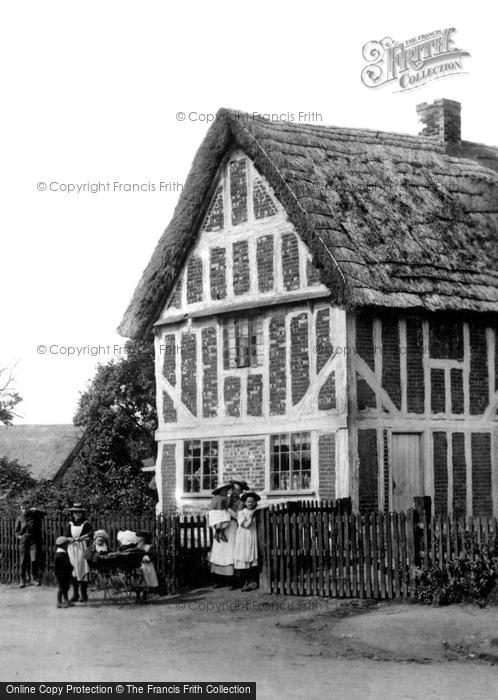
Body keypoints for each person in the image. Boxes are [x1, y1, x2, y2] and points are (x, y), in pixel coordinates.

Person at [207, 483, 239, 587]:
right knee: (219, 550)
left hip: (232, 527)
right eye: (233, 490)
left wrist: (227, 510)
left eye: (237, 490)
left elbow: (238, 516)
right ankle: (219, 579)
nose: (234, 492)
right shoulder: (223, 499)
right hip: (222, 525)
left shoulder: (241, 502)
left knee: (230, 551)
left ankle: (232, 580)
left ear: (240, 492)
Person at [64, 503, 93, 603]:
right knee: (73, 570)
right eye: (75, 512)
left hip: (81, 547)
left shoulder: (85, 523)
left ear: (82, 513)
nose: (77, 514)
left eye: (79, 512)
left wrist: (82, 537)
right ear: (72, 514)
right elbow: (66, 536)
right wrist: (70, 539)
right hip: (72, 548)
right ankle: (75, 594)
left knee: (81, 569)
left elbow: (91, 534)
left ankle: (83, 595)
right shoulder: (70, 524)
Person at [14, 499, 46, 587]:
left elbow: (45, 514)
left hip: (33, 541)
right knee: (23, 561)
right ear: (20, 508)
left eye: (25, 508)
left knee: (34, 559)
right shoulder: (19, 518)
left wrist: (37, 509)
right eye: (22, 508)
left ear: (29, 508)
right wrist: (19, 536)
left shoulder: (34, 515)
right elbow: (16, 531)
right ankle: (22, 580)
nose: (24, 510)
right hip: (24, 541)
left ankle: (34, 579)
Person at [233, 491, 261, 591]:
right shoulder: (241, 513)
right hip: (243, 537)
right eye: (248, 502)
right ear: (245, 503)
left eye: (252, 502)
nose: (250, 503)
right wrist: (252, 516)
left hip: (252, 536)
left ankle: (253, 582)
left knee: (252, 559)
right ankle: (245, 582)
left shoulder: (257, 512)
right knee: (244, 557)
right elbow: (245, 525)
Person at [134, 530, 159, 603]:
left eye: (139, 537)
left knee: (146, 580)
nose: (137, 539)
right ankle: (137, 596)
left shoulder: (148, 546)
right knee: (138, 580)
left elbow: (152, 555)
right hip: (139, 565)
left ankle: (145, 597)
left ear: (143, 538)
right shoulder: (137, 546)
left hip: (146, 566)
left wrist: (148, 558)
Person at [54, 536, 74, 608]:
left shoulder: (63, 553)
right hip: (61, 575)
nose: (67, 546)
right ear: (62, 545)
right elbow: (58, 567)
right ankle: (59, 602)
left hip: (66, 574)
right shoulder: (59, 555)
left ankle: (66, 600)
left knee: (66, 588)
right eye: (66, 545)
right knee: (62, 588)